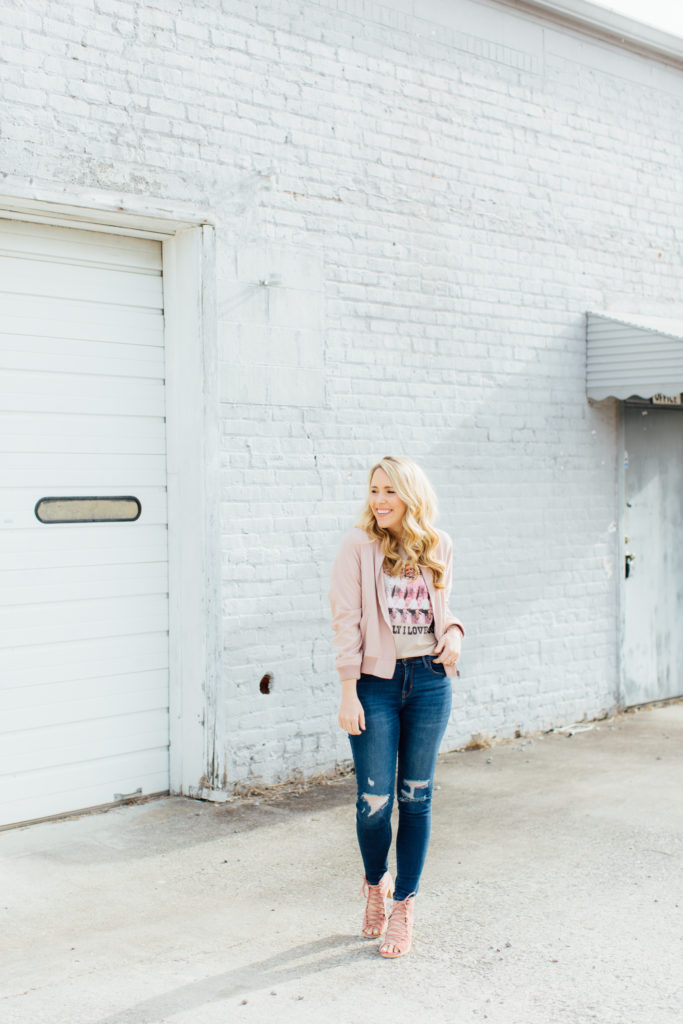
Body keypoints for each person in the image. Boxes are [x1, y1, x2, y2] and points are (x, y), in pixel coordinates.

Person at [329, 456, 464, 958]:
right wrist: (348, 690)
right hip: (375, 686)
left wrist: (454, 634)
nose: (379, 500)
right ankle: (373, 885)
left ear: (411, 494)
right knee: (373, 804)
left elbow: (444, 615)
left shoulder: (438, 544)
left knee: (416, 797)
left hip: (429, 682)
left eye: (389, 491)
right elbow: (345, 621)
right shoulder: (357, 547)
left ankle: (404, 903)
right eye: (373, 490)